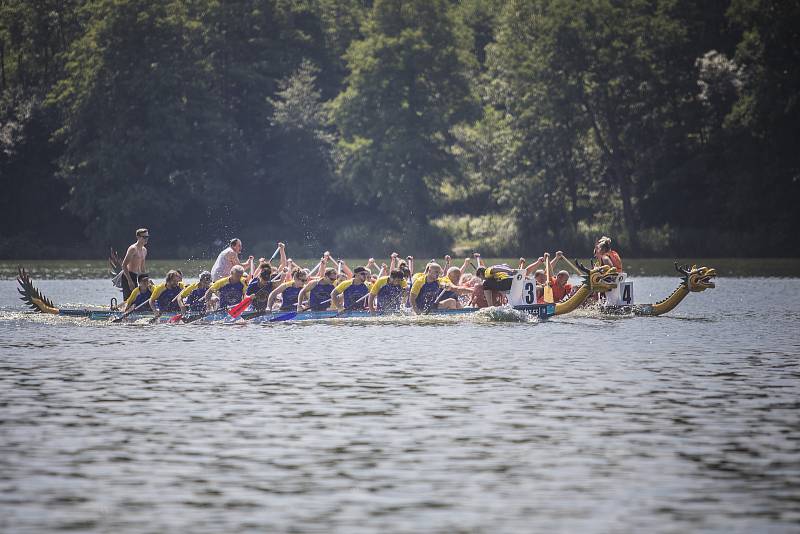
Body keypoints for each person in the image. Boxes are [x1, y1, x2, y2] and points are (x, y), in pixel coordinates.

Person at [120, 228, 149, 301]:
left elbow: (142, 268)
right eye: (144, 237)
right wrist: (129, 281)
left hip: (136, 276)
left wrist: (146, 280)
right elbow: (124, 265)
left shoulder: (144, 250)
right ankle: (123, 310)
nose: (146, 239)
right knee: (129, 299)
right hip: (128, 275)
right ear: (138, 237)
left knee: (137, 298)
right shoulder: (133, 249)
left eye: (147, 237)